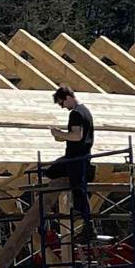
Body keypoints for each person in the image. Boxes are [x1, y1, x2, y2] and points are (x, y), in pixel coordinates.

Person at [46, 85, 95, 234]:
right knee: (53, 171)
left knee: (79, 191)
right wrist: (61, 137)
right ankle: (85, 220)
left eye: (62, 103)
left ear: (68, 98)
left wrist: (59, 133)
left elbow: (77, 136)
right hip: (80, 157)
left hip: (76, 159)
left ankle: (88, 223)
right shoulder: (85, 111)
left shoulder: (76, 113)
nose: (62, 107)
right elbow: (77, 137)